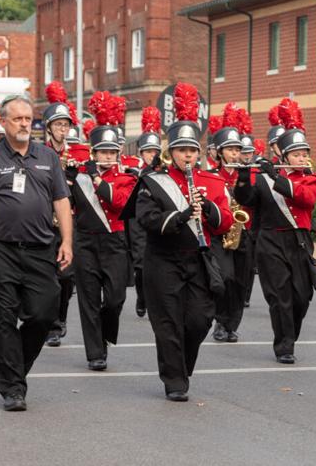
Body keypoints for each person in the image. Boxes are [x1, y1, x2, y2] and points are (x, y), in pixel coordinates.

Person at [0, 94, 74, 412]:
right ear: (3, 122)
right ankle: (13, 387)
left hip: (41, 249)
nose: (25, 123)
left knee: (43, 314)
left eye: (29, 118)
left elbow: (61, 201)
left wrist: (66, 240)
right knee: (2, 320)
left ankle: (14, 368)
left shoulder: (47, 158)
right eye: (18, 118)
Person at [132, 84, 233, 401]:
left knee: (199, 320)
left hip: (198, 259)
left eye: (192, 150)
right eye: (181, 150)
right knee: (167, 322)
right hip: (163, 259)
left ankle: (182, 367)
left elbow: (227, 220)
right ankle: (174, 379)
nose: (187, 155)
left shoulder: (213, 182)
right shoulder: (153, 181)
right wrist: (179, 215)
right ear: (170, 152)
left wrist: (210, 210)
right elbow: (146, 218)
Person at [238, 99, 316, 364]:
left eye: (304, 153)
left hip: (299, 241)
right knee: (280, 296)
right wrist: (243, 176)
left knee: (301, 296)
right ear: (284, 156)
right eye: (296, 154)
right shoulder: (264, 176)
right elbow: (248, 201)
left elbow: (306, 199)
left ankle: (290, 334)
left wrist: (276, 178)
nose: (301, 158)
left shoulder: (312, 178)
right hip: (270, 241)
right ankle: (284, 345)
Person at [71, 98, 136, 371]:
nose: (108, 157)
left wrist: (96, 179)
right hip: (85, 241)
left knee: (114, 298)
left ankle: (106, 332)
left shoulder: (128, 177)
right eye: (103, 153)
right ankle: (95, 353)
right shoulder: (78, 177)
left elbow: (119, 203)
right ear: (94, 153)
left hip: (115, 243)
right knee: (88, 299)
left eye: (112, 153)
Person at [41, 82, 90, 347]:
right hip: (43, 220)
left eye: (66, 125)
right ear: (48, 127)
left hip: (71, 221)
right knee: (46, 275)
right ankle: (45, 320)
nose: (63, 129)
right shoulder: (39, 152)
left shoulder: (81, 153)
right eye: (58, 124)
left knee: (66, 276)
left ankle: (58, 321)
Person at [210, 112, 255, 343]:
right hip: (220, 235)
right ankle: (220, 320)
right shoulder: (211, 176)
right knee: (225, 278)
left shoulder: (246, 175)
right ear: (219, 152)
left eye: (238, 149)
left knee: (240, 282)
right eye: (230, 149)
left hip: (244, 233)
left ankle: (231, 326)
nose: (235, 154)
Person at [128, 106, 164, 318]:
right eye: (149, 151)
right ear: (141, 152)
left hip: (156, 219)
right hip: (136, 221)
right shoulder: (132, 169)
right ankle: (142, 297)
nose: (153, 155)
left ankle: (153, 299)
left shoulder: (163, 169)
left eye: (155, 151)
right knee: (141, 265)